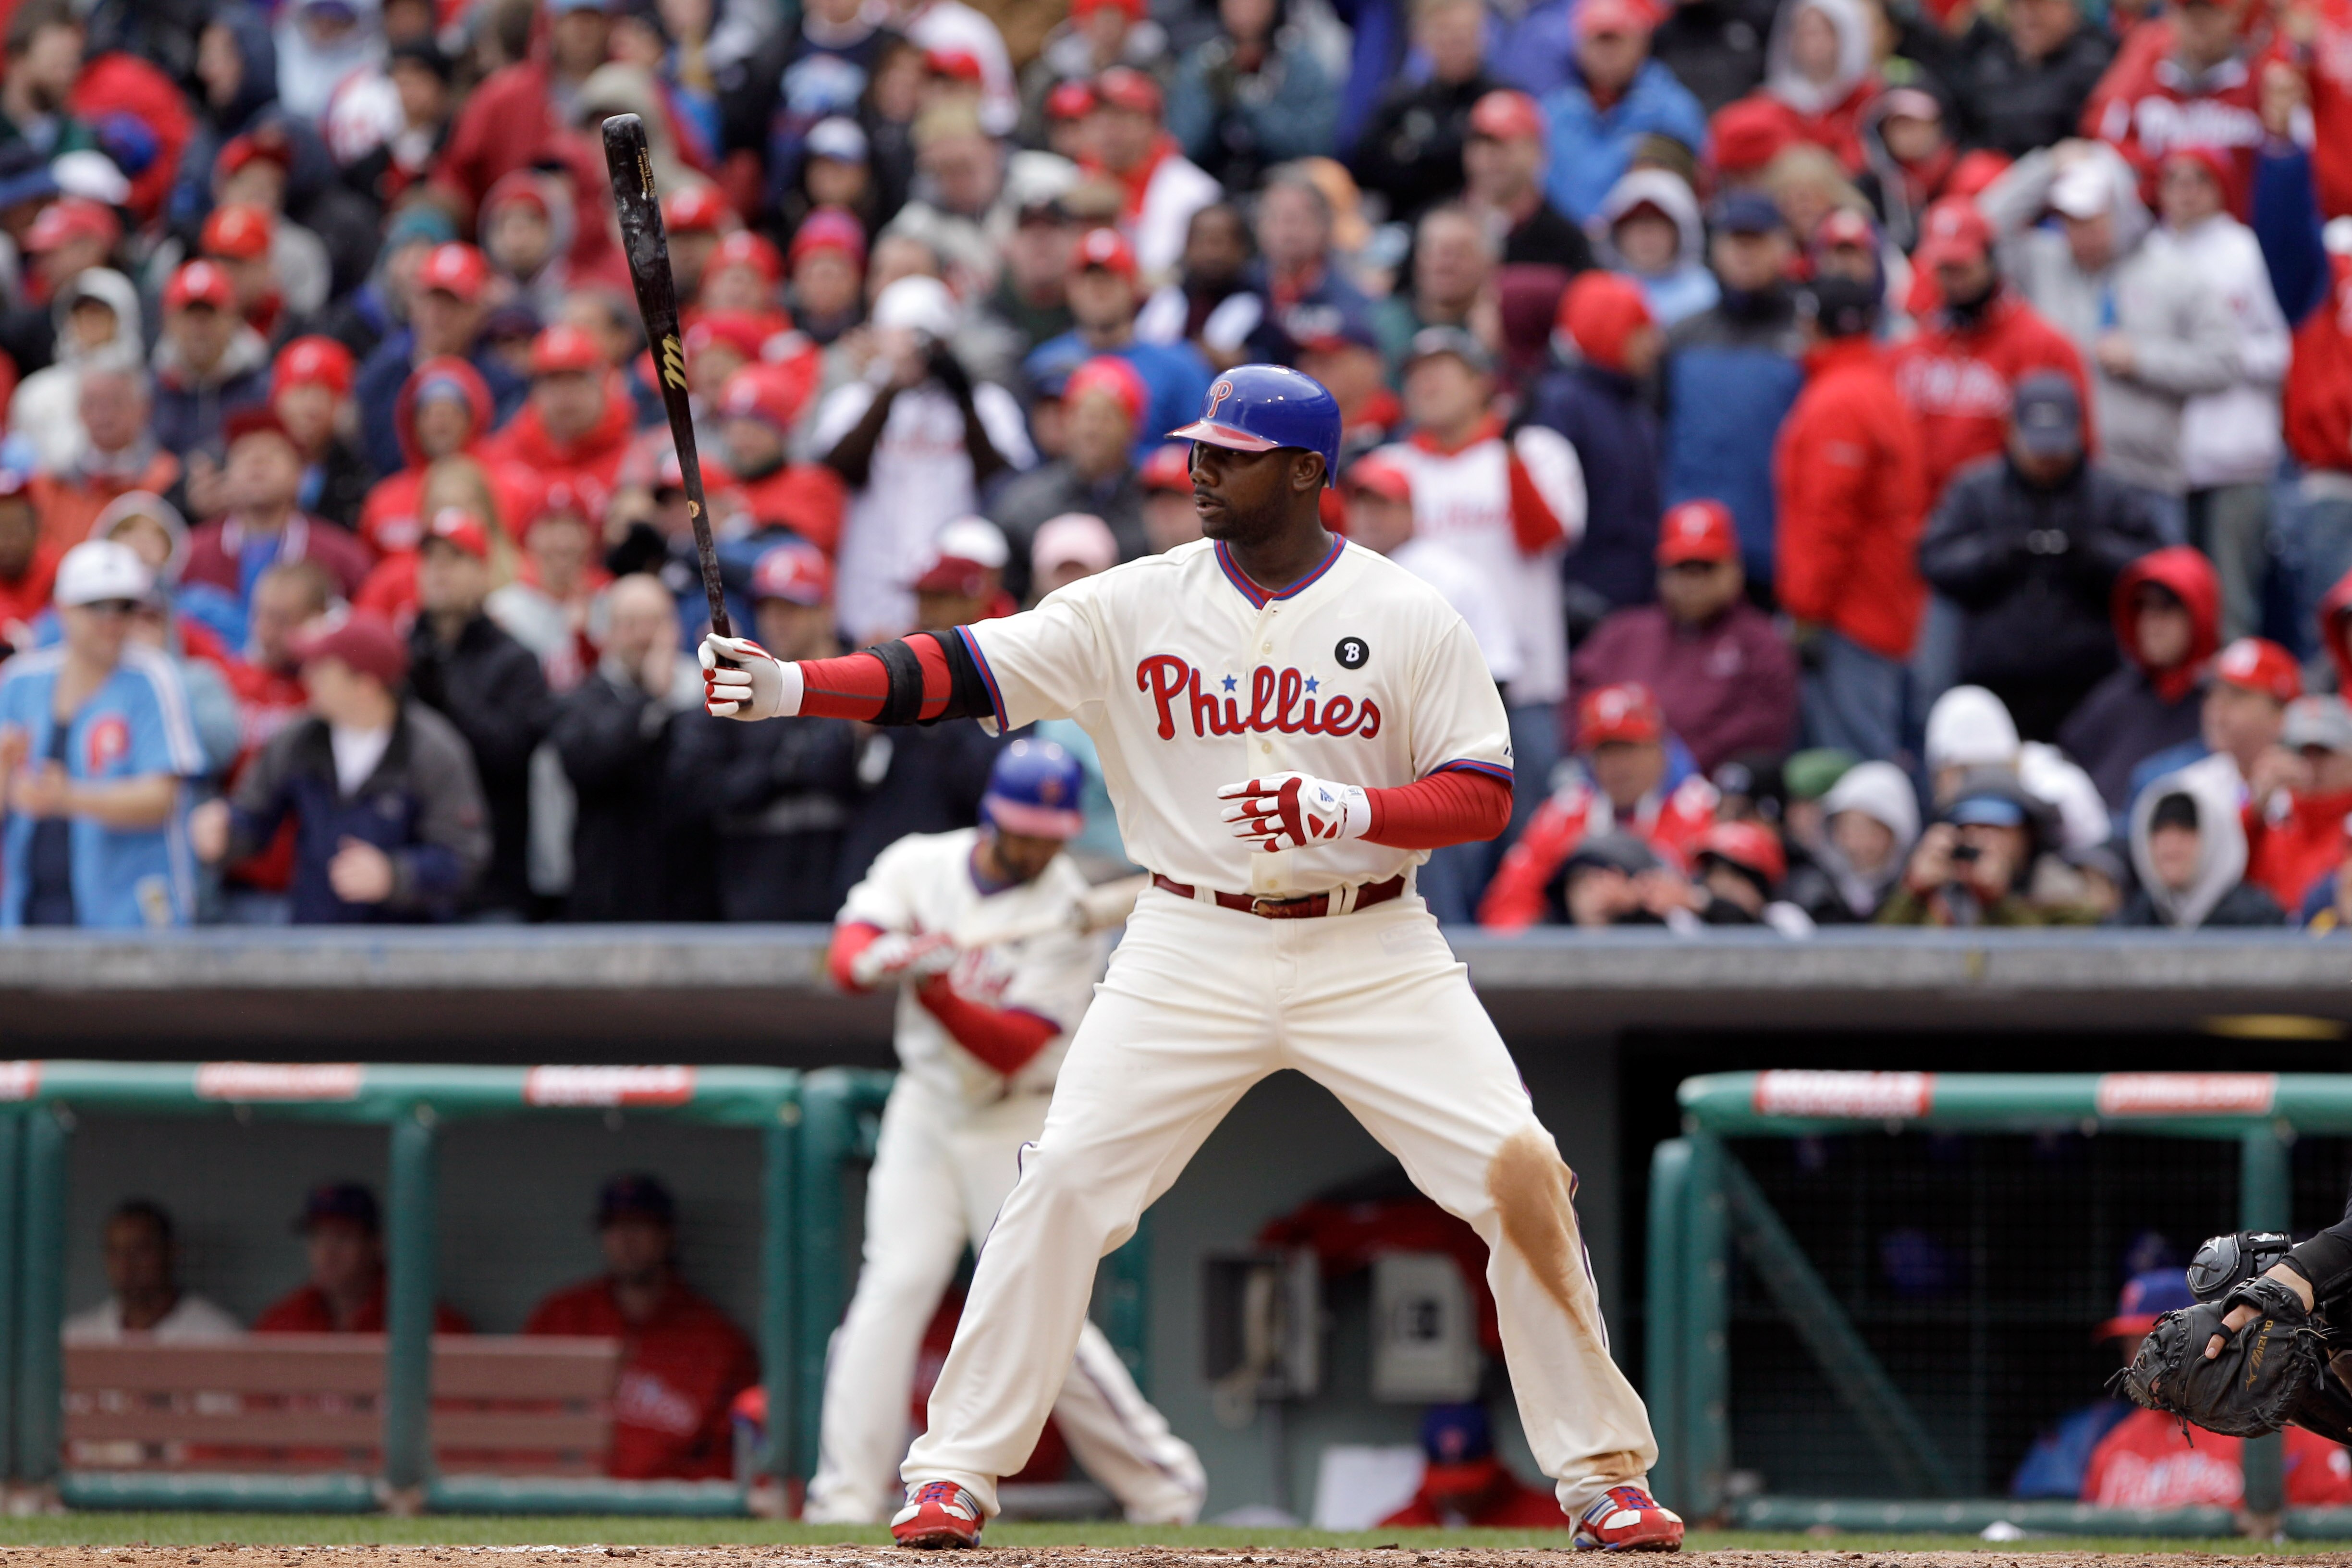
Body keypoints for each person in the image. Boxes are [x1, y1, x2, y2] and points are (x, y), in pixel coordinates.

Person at [698, 364, 1682, 1552]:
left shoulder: (1409, 611)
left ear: (1308, 472)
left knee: (1518, 1166)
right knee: (1060, 1179)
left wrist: (1345, 815)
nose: (1199, 469)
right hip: (1187, 939)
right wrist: (796, 685)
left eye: (1230, 453)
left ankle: (1601, 1476)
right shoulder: (1134, 600)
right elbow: (956, 668)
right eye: (1198, 448)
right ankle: (953, 1470)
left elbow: (1484, 794)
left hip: (1370, 939)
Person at [805, 741, 1207, 1525]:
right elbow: (845, 954)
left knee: (1037, 1298)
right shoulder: (921, 863)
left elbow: (1013, 1042)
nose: (1038, 846)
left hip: (1017, 1112)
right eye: (1025, 829)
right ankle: (845, 1495)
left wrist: (936, 990)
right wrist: (883, 956)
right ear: (993, 815)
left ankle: (1162, 1481)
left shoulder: (1067, 909)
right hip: (927, 1106)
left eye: (1050, 832)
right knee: (893, 1285)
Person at [1377, 329, 1584, 839]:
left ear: (1481, 383)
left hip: (1524, 684)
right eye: (1415, 375)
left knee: (1532, 839)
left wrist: (1509, 449)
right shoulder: (1389, 469)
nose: (1426, 384)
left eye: (1441, 370)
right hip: (1419, 700)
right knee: (1441, 849)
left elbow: (1548, 535)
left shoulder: (1537, 450)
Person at [1977, 141, 2227, 543]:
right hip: (2055, 477)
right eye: (2071, 222)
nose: (2081, 235)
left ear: (2122, 212)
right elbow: (1983, 227)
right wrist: (2045, 166)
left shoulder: (2174, 273)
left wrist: (2145, 359)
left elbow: (2225, 360)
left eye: (2093, 221)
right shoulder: (2045, 262)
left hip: (2144, 478)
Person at [190, 609, 490, 922]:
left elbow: (464, 855)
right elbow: (254, 816)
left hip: (407, 949)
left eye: (322, 669)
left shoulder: (433, 752)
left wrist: (395, 874)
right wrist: (223, 830)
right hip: (315, 942)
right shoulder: (299, 739)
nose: (307, 677)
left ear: (365, 685)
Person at [1916, 372, 2165, 740]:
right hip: (1996, 680)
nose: (2047, 460)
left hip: (2087, 681)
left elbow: (2156, 567)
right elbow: (1932, 559)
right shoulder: (1976, 489)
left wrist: (2092, 554)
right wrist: (1997, 555)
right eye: (2038, 447)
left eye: (2057, 447)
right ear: (2011, 431)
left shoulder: (2110, 493)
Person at [811, 275, 1034, 645]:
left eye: (927, 340)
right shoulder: (854, 401)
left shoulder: (985, 402)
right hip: (869, 595)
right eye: (903, 338)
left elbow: (1005, 484)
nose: (916, 351)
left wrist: (963, 397)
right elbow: (837, 471)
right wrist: (890, 389)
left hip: (956, 596)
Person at [0, 540, 204, 929]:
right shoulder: (20, 681)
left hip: (131, 917)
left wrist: (70, 798)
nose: (111, 620)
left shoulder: (153, 678)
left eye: (125, 606)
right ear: (63, 608)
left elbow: (163, 798)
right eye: (96, 606)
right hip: (29, 911)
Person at [1776, 274, 1930, 760]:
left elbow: (1828, 521)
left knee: (1856, 769)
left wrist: (1807, 611)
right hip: (1882, 603)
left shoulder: (1839, 401)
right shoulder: (1874, 386)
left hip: (1852, 613)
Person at [524, 1174, 758, 1480]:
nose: (626, 1239)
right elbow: (516, 1425)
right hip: (561, 1500)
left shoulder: (719, 1343)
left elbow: (732, 1461)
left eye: (641, 1225)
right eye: (614, 1226)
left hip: (663, 1513)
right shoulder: (561, 1318)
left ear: (668, 1234)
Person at [672, 542, 861, 921]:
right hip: (752, 899)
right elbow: (697, 793)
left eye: (792, 607)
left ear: (826, 612)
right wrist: (783, 767)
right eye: (768, 607)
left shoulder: (860, 688)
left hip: (841, 899)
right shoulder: (738, 693)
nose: (778, 620)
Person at [2160, 146, 2290, 644]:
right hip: (2170, 462)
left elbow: (2282, 348)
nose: (2186, 193)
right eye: (2175, 180)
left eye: (2199, 180)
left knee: (2232, 604)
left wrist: (2221, 362)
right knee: (2174, 605)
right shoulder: (2153, 253)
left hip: (2237, 456)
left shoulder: (2244, 252)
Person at [1890, 197, 2094, 508]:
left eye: (1962, 268)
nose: (1952, 281)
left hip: (2009, 526)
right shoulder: (1913, 350)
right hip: (1926, 522)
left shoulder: (2044, 346)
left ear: (1991, 259)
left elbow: (2081, 451)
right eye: (1944, 269)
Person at [1573, 500, 1798, 774]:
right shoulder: (1623, 633)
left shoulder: (1762, 643)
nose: (1693, 582)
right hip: (1611, 788)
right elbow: (1577, 697)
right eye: (1681, 568)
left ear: (1735, 569)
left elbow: (1763, 728)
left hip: (1715, 793)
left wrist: (1672, 765)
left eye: (1706, 568)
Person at [404, 508, 553, 919]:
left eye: (455, 559)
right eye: (431, 559)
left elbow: (511, 755)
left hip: (491, 879)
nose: (439, 571)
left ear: (483, 574)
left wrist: (446, 698)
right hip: (410, 879)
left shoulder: (516, 660)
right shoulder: (403, 653)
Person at [1479, 683, 1719, 930]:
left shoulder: (1704, 809)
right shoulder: (1563, 814)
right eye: (1606, 751)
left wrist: (1667, 899)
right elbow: (1506, 912)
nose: (1618, 765)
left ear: (1659, 750)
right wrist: (1569, 912)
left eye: (1629, 749)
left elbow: (1739, 905)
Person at [550, 574, 715, 922]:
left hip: (690, 897)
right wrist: (649, 701)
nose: (644, 637)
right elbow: (587, 764)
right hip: (609, 897)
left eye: (654, 623)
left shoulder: (705, 697)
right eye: (631, 625)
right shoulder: (582, 701)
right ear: (608, 633)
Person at [1660, 192, 1804, 590]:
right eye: (1734, 241)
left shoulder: (1807, 337)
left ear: (1784, 247)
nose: (1744, 253)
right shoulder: (1683, 336)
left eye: (1756, 240)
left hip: (1775, 550)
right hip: (1690, 548)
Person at [1530, 271, 1661, 617]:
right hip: (1584, 600)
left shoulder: (1634, 405)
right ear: (1609, 330)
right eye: (1641, 332)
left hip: (1634, 595)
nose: (1654, 345)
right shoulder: (1562, 404)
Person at [1022, 228, 1212, 466]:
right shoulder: (1045, 365)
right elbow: (1028, 454)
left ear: (1134, 287)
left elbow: (1204, 452)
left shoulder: (1180, 366)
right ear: (1070, 289)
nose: (1098, 290)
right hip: (1063, 495)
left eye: (1109, 279)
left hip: (1152, 495)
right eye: (1088, 280)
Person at [2057, 545, 2219, 811]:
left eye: (2166, 608)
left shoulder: (2221, 704)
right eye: (2143, 606)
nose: (2151, 622)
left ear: (2199, 614)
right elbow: (2064, 767)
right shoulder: (2115, 698)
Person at [182, 408, 372, 618]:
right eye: (244, 454)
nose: (257, 463)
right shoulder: (190, 553)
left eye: (273, 453)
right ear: (227, 474)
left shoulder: (342, 556)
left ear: (300, 476)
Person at [989, 356, 1150, 599]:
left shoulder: (1155, 501)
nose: (1092, 430)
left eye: (1108, 417)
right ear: (1067, 422)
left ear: (1132, 426)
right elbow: (1004, 596)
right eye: (1083, 415)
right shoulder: (1025, 504)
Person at [1536, 0, 1707, 226]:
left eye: (1617, 41)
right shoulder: (1554, 112)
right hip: (1567, 244)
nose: (1607, 53)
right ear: (1579, 46)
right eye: (1599, 41)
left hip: (1640, 243)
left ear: (1642, 43)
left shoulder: (1673, 110)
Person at [1346, 0, 1497, 224]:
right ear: (1422, 41)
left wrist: (1413, 152)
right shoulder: (1399, 103)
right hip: (1406, 226)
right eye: (1446, 36)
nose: (1456, 46)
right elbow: (1364, 166)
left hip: (1482, 224)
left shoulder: (1500, 101)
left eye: (1464, 36)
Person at [1878, 770, 2093, 925]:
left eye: (1996, 829)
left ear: (2028, 835)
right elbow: (1879, 962)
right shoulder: (1941, 891)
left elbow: (2054, 966)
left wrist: (1997, 902)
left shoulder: (2060, 891)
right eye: (1969, 828)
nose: (1979, 840)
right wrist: (1914, 893)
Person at [253, 1181, 469, 1332]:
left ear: (377, 1244)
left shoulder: (423, 1325)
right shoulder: (284, 1320)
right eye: (318, 1238)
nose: (327, 1254)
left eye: (343, 1238)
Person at [1166, 0, 1335, 192]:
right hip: (1208, 188)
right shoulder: (1201, 63)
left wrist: (1247, 101)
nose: (1244, 7)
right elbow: (1181, 147)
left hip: (1282, 187)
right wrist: (1211, 99)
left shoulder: (1300, 65)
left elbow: (1315, 148)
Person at [1076, 66, 1221, 281]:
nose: (1108, 129)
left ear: (1153, 125)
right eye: (1099, 116)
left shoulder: (1195, 192)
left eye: (1122, 117)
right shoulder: (1073, 182)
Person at [2116, 770, 2284, 926]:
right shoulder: (2134, 920)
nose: (2171, 845)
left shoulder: (2257, 921)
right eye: (2159, 831)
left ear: (2216, 841)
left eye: (2186, 830)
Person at [1950, 0, 2113, 161]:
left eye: (2039, 7)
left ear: (2068, 9)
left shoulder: (2094, 65)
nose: (2029, 17)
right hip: (1997, 176)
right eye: (2019, 7)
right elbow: (1968, 135)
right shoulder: (1990, 66)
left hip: (2062, 173)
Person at [61, 1200, 241, 1343]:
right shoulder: (77, 1336)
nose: (126, 1265)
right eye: (115, 1252)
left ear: (171, 1252)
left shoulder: (218, 1335)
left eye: (140, 1250)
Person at [150, 259, 272, 460]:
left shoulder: (262, 388)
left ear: (233, 318)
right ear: (168, 320)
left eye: (209, 315)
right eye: (189, 316)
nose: (199, 328)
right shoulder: (150, 390)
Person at [1381, 1403, 1572, 1528]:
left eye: (1469, 1486)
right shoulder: (1397, 1527)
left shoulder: (1551, 1521)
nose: (1458, 1495)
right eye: (1446, 1484)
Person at [1460, 91, 1593, 271]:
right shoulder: (1436, 233)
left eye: (1505, 145)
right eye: (1481, 144)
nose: (1491, 157)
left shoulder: (1566, 240)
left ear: (1538, 152)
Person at [2243, 696, 2352, 915]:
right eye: (2301, 752)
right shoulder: (2271, 820)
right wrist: (2254, 811)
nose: (2311, 765)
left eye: (2323, 752)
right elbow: (2224, 875)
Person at [1783, 758, 1918, 922]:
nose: (1856, 844)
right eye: (1847, 830)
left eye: (1871, 831)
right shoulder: (1811, 890)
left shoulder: (1918, 892)